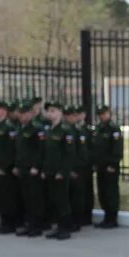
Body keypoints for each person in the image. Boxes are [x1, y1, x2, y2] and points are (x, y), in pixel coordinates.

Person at [42, 101, 75, 241]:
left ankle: (65, 228)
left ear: (60, 112)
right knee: (54, 200)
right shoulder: (49, 130)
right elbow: (46, 153)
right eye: (49, 111)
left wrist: (63, 171)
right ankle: (58, 227)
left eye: (54, 111)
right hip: (50, 171)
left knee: (62, 201)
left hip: (60, 173)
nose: (51, 114)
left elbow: (69, 154)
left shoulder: (65, 130)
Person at [0, 100, 20, 234]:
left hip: (4, 168)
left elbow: (10, 150)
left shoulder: (9, 128)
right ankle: (3, 221)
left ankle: (9, 223)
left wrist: (5, 166)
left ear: (4, 111)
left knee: (7, 196)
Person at [16, 100, 48, 237]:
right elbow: (19, 150)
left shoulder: (37, 128)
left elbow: (40, 150)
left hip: (33, 169)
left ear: (30, 113)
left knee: (36, 199)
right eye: (20, 113)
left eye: (24, 113)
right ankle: (29, 224)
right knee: (26, 198)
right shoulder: (21, 128)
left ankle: (37, 225)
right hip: (23, 168)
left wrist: (36, 166)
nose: (22, 116)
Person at [92, 104, 123, 229]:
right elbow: (95, 148)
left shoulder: (114, 129)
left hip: (110, 166)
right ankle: (106, 217)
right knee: (102, 192)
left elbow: (117, 149)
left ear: (108, 113)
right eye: (100, 114)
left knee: (111, 192)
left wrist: (113, 164)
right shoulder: (98, 128)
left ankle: (112, 218)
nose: (102, 116)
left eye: (104, 113)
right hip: (100, 165)